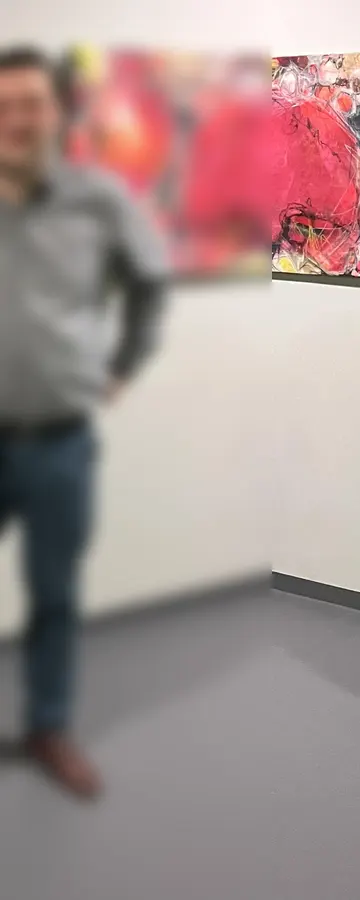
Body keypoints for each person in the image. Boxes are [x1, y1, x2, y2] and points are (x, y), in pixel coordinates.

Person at [0, 46, 167, 800]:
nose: (17, 118)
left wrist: (122, 367)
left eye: (31, 103)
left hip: (59, 437)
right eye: (5, 105)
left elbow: (147, 283)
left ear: (56, 114)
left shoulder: (97, 200)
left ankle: (49, 725)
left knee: (55, 594)